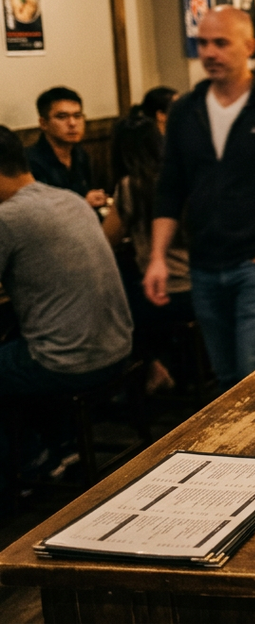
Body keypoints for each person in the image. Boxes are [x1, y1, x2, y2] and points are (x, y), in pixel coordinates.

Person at [146, 6, 255, 391]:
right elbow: (170, 186)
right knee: (223, 378)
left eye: (220, 43)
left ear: (249, 46)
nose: (209, 53)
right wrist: (158, 257)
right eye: (202, 43)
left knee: (254, 375)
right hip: (203, 263)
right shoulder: (185, 109)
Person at [0, 125, 132, 492]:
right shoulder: (68, 199)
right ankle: (58, 444)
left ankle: (31, 462)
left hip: (72, 363)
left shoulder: (8, 218)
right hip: (118, 348)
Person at [102, 116, 194, 395]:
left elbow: (106, 239)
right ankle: (173, 364)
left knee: (114, 302)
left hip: (168, 295)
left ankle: (153, 366)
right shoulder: (185, 174)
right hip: (204, 288)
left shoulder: (131, 186)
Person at [25, 87, 106, 210]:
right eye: (62, 117)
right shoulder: (31, 162)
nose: (73, 123)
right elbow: (38, 212)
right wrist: (83, 203)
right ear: (43, 123)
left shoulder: (80, 154)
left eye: (77, 116)